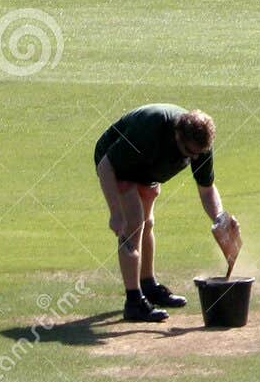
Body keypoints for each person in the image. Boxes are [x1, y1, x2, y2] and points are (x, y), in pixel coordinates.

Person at [94, 104, 242, 323]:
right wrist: (115, 212)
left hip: (148, 169)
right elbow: (106, 165)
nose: (192, 158)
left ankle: (148, 285)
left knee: (148, 223)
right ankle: (133, 302)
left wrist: (220, 219)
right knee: (133, 223)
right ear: (176, 134)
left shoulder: (200, 144)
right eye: (188, 152)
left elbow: (207, 188)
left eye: (197, 154)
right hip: (119, 165)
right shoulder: (149, 128)